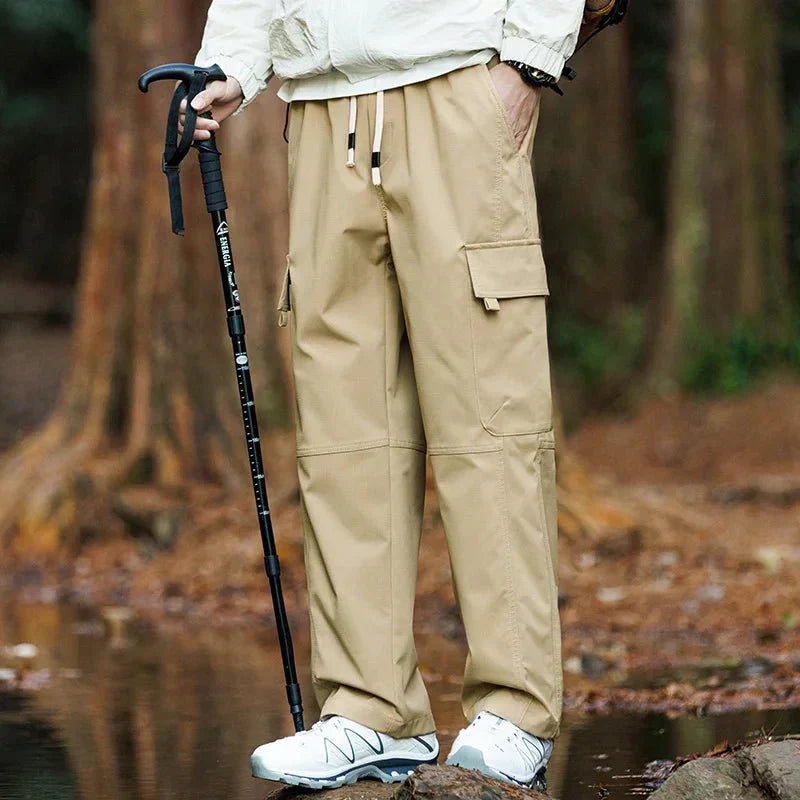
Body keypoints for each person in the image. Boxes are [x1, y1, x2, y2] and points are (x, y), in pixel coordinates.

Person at [188, 0, 583, 790]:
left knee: (488, 414)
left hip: (459, 87)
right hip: (321, 105)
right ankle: (368, 711)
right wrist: (230, 61)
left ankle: (516, 710)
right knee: (345, 431)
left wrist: (529, 59)